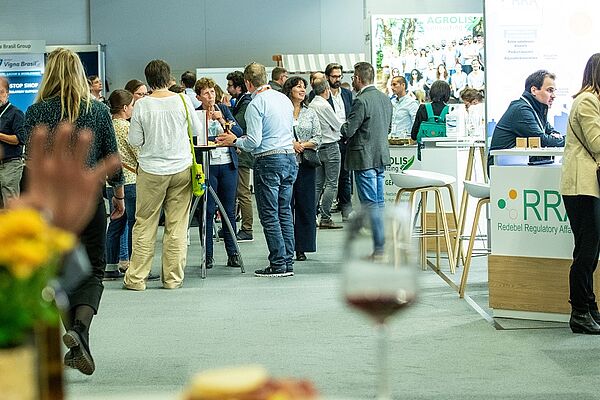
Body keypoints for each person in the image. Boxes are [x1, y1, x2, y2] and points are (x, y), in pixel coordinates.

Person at [23, 48, 125, 375]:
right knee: (93, 268)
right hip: (89, 198)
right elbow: (112, 155)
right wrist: (119, 195)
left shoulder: (35, 112)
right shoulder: (97, 111)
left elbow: (31, 161)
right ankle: (80, 330)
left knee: (56, 269)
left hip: (48, 204)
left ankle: (73, 333)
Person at [123, 59, 202, 291]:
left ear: (148, 80)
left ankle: (137, 279)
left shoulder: (142, 105)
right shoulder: (183, 100)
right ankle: (173, 279)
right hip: (181, 169)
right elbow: (196, 131)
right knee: (177, 225)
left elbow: (135, 140)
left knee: (145, 224)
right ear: (169, 78)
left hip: (151, 171)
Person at [217, 62, 297, 277]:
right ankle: (287, 261)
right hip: (289, 158)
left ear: (247, 83)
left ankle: (278, 263)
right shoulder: (284, 99)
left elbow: (254, 141)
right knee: (285, 213)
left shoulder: (256, 103)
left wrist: (235, 141)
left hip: (269, 161)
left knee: (270, 215)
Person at [560, 53, 600, 335]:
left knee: (591, 249)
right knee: (587, 251)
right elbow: (597, 143)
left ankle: (589, 307)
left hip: (587, 185)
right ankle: (580, 312)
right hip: (581, 186)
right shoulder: (586, 100)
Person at [340, 62, 392, 257]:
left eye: (353, 77)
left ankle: (380, 249)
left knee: (371, 206)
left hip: (364, 159)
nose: (352, 80)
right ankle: (381, 246)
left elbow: (349, 129)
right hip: (380, 157)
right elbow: (388, 129)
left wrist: (342, 127)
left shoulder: (361, 101)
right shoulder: (385, 99)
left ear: (358, 78)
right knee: (378, 204)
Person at [194, 77, 243, 269]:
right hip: (208, 166)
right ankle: (207, 255)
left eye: (213, 91)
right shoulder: (196, 114)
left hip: (227, 164)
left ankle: (233, 254)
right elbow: (195, 138)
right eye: (206, 93)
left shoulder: (224, 110)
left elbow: (238, 131)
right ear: (199, 96)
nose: (210, 96)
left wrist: (221, 120)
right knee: (207, 210)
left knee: (228, 210)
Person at [488, 70, 565, 167]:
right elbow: (542, 139)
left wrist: (558, 138)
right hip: (503, 168)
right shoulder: (521, 110)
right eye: (549, 90)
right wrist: (569, 140)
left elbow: (552, 133)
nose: (553, 96)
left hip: (519, 165)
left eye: (553, 91)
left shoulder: (537, 109)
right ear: (534, 90)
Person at [103, 89, 141, 280]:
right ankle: (136, 267)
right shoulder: (127, 128)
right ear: (125, 107)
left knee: (115, 224)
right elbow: (138, 154)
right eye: (132, 105)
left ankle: (110, 266)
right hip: (131, 181)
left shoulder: (106, 126)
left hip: (111, 182)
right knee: (135, 225)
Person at [283, 76, 321, 262]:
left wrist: (302, 145)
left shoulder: (311, 112)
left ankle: (302, 247)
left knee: (306, 206)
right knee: (286, 205)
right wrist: (291, 144)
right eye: (298, 86)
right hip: (287, 163)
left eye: (304, 87)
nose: (302, 89)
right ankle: (287, 244)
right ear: (289, 89)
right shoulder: (282, 111)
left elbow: (318, 137)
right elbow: (278, 133)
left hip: (306, 164)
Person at [309, 78, 343, 229]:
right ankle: (326, 217)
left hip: (317, 148)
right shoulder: (324, 105)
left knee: (317, 185)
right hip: (330, 147)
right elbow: (337, 125)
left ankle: (311, 215)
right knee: (331, 184)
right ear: (326, 90)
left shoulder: (311, 105)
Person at [226, 70, 254, 242]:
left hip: (242, 152)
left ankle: (247, 228)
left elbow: (238, 125)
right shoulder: (240, 101)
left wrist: (227, 112)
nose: (228, 88)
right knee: (238, 192)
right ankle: (234, 227)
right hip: (239, 151)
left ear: (238, 86)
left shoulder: (246, 103)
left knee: (243, 192)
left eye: (230, 85)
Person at [325, 63, 354, 221]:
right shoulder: (322, 96)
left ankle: (346, 209)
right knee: (328, 179)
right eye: (334, 76)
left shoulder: (347, 94)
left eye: (339, 76)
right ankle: (324, 211)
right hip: (329, 139)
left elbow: (351, 114)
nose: (337, 79)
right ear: (327, 77)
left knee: (345, 175)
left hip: (345, 139)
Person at [0, 76, 26, 208]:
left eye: (0, 92)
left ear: (7, 94)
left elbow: (20, 139)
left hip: (9, 165)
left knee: (11, 207)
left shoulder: (16, 113)